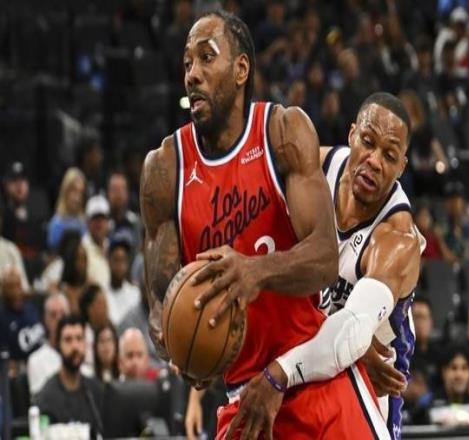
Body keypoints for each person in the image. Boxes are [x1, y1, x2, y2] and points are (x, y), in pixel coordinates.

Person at [141, 10, 390, 439]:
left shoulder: (282, 132)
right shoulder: (164, 170)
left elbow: (324, 258)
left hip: (313, 374)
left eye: (206, 57)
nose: (192, 74)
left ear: (241, 70)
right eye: (187, 63)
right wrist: (181, 349)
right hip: (243, 398)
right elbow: (159, 304)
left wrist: (254, 271)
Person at [225, 92, 423, 440]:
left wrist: (280, 374)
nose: (375, 161)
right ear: (352, 135)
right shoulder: (314, 170)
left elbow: (351, 333)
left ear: (401, 168)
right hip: (300, 356)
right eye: (368, 142)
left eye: (389, 156)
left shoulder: (397, 239)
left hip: (367, 386)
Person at [34, 315, 104, 435]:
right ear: (58, 345)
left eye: (79, 338)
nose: (75, 346)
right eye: (68, 340)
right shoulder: (46, 397)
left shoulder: (96, 390)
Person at [27, 293, 70, 395]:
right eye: (53, 315)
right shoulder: (35, 360)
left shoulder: (79, 353)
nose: (59, 320)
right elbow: (40, 400)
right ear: (45, 320)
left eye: (63, 314)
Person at [0, 267, 44, 363]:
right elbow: (5, 358)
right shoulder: (2, 318)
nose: (15, 291)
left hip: (45, 359)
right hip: (23, 366)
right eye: (10, 287)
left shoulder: (33, 304)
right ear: (3, 290)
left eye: (18, 285)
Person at [47, 167, 87, 252]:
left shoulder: (84, 223)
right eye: (74, 190)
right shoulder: (57, 223)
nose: (77, 198)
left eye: (80, 192)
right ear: (65, 191)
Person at [104, 237, 140, 326]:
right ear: (108, 261)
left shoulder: (135, 293)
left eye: (123, 260)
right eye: (116, 260)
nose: (120, 265)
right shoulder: (102, 294)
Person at [107, 170, 142, 253]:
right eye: (114, 189)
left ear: (127, 193)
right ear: (108, 193)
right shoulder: (103, 222)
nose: (118, 194)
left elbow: (138, 249)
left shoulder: (135, 222)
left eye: (121, 189)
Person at [79, 284, 110, 375]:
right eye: (101, 304)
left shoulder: (111, 330)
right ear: (89, 309)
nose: (106, 308)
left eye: (106, 303)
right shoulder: (81, 336)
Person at [82, 195, 111, 290]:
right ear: (87, 222)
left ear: (108, 222)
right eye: (95, 219)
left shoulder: (111, 247)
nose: (99, 223)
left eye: (102, 218)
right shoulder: (81, 249)